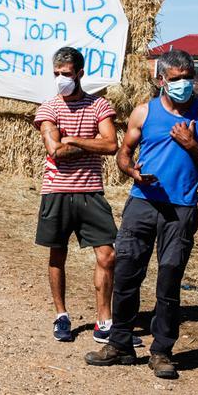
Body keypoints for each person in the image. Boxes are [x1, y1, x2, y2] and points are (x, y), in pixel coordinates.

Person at [85, 50, 198, 379]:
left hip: (181, 208)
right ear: (161, 80)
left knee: (170, 278)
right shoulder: (144, 112)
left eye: (187, 77)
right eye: (176, 79)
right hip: (142, 203)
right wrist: (131, 171)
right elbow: (123, 153)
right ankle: (119, 345)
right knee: (126, 274)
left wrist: (192, 145)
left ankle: (162, 351)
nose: (183, 84)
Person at [34, 46, 125, 344]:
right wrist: (90, 141)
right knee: (57, 254)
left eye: (67, 73)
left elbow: (111, 145)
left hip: (91, 191)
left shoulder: (99, 105)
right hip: (57, 190)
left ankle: (104, 320)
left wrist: (71, 138)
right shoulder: (48, 108)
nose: (61, 79)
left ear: (80, 73)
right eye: (56, 73)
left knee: (107, 255)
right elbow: (55, 151)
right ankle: (61, 315)